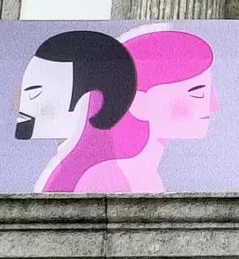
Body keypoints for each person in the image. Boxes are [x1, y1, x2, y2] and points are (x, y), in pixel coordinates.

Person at [37, 30, 217, 194]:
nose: (214, 105)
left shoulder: (139, 173)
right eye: (198, 93)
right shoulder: (112, 177)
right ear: (139, 103)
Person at [17, 31, 138, 192]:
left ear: (91, 100)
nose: (20, 103)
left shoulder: (96, 175)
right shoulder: (72, 166)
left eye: (34, 91)